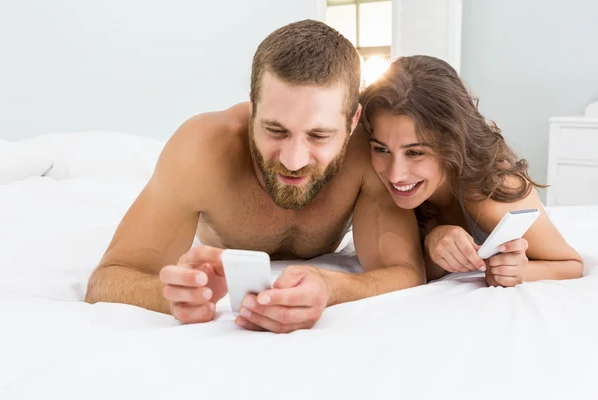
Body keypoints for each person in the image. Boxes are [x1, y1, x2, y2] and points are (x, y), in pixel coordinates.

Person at [84, 20, 425, 333]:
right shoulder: (200, 151)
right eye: (275, 130)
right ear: (252, 110)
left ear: (352, 124)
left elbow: (405, 272)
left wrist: (331, 287)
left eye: (319, 136)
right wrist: (175, 295)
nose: (293, 161)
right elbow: (107, 279)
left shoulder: (370, 153)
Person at [357, 55, 583, 287]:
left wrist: (519, 271)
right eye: (381, 148)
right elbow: (409, 272)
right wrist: (434, 242)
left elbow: (571, 264)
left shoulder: (494, 190)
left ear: (453, 143)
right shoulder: (372, 174)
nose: (395, 175)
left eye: (415, 153)